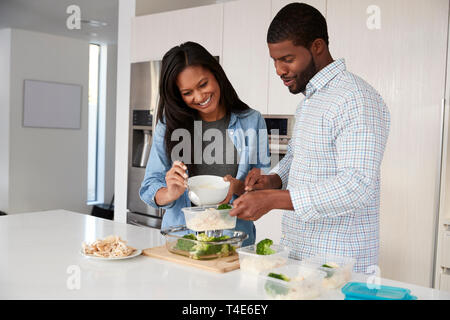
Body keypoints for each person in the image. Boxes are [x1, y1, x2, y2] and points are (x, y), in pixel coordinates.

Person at [230, 3, 390, 272]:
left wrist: (272, 199)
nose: (279, 70)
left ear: (317, 46)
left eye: (288, 59)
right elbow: (298, 157)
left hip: (339, 263)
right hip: (299, 255)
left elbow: (357, 184)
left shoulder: (356, 99)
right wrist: (273, 180)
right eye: (275, 61)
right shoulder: (309, 102)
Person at [139, 41, 270, 246]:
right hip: (182, 241)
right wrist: (169, 192)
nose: (199, 97)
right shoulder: (169, 125)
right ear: (177, 95)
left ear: (216, 74)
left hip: (235, 242)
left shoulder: (252, 121)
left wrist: (238, 187)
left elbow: (263, 187)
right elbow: (149, 187)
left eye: (203, 84)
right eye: (187, 93)